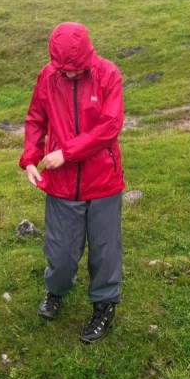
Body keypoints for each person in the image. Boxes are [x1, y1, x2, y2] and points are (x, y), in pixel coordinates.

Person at [20, 22, 125, 344]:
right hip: (61, 185)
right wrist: (29, 158)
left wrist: (68, 153)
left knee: (105, 252)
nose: (66, 74)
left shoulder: (108, 74)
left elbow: (110, 126)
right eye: (61, 69)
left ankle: (104, 305)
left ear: (86, 58)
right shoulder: (48, 76)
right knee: (62, 252)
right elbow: (36, 118)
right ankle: (56, 290)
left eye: (72, 70)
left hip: (103, 181)